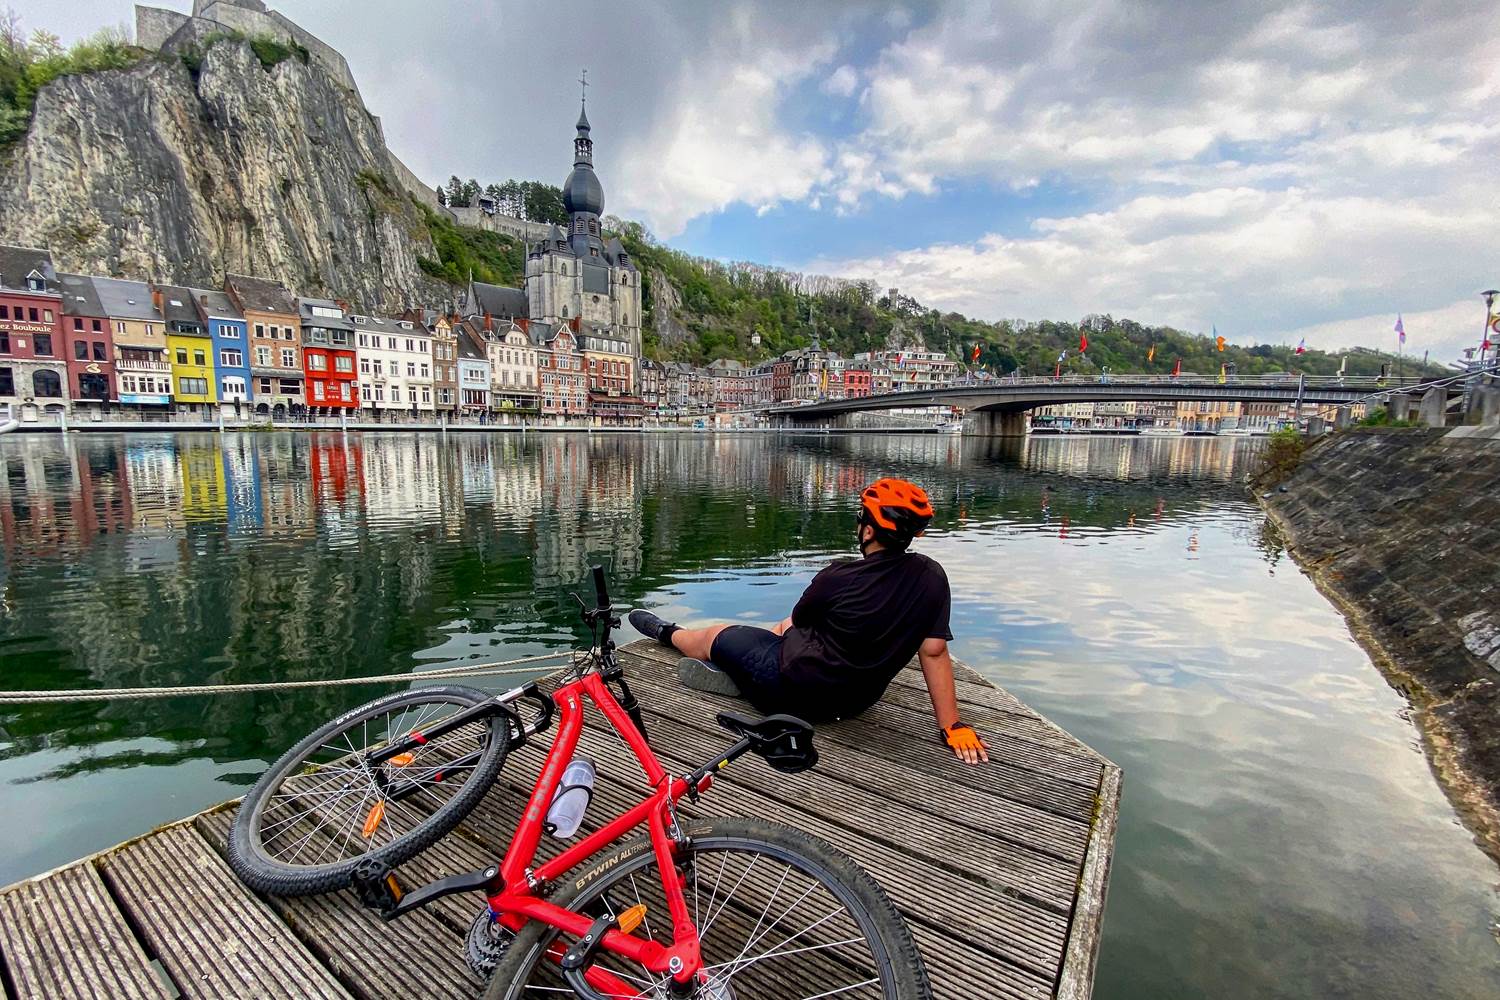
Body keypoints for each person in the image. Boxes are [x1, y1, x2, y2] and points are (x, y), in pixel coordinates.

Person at [629, 478, 990, 765]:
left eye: (861, 518)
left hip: (790, 691)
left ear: (867, 531)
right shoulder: (932, 576)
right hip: (855, 703)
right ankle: (743, 667)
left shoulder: (838, 576)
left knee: (718, 635)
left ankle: (668, 633)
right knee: (777, 633)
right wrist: (952, 726)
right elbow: (934, 651)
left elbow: (799, 622)